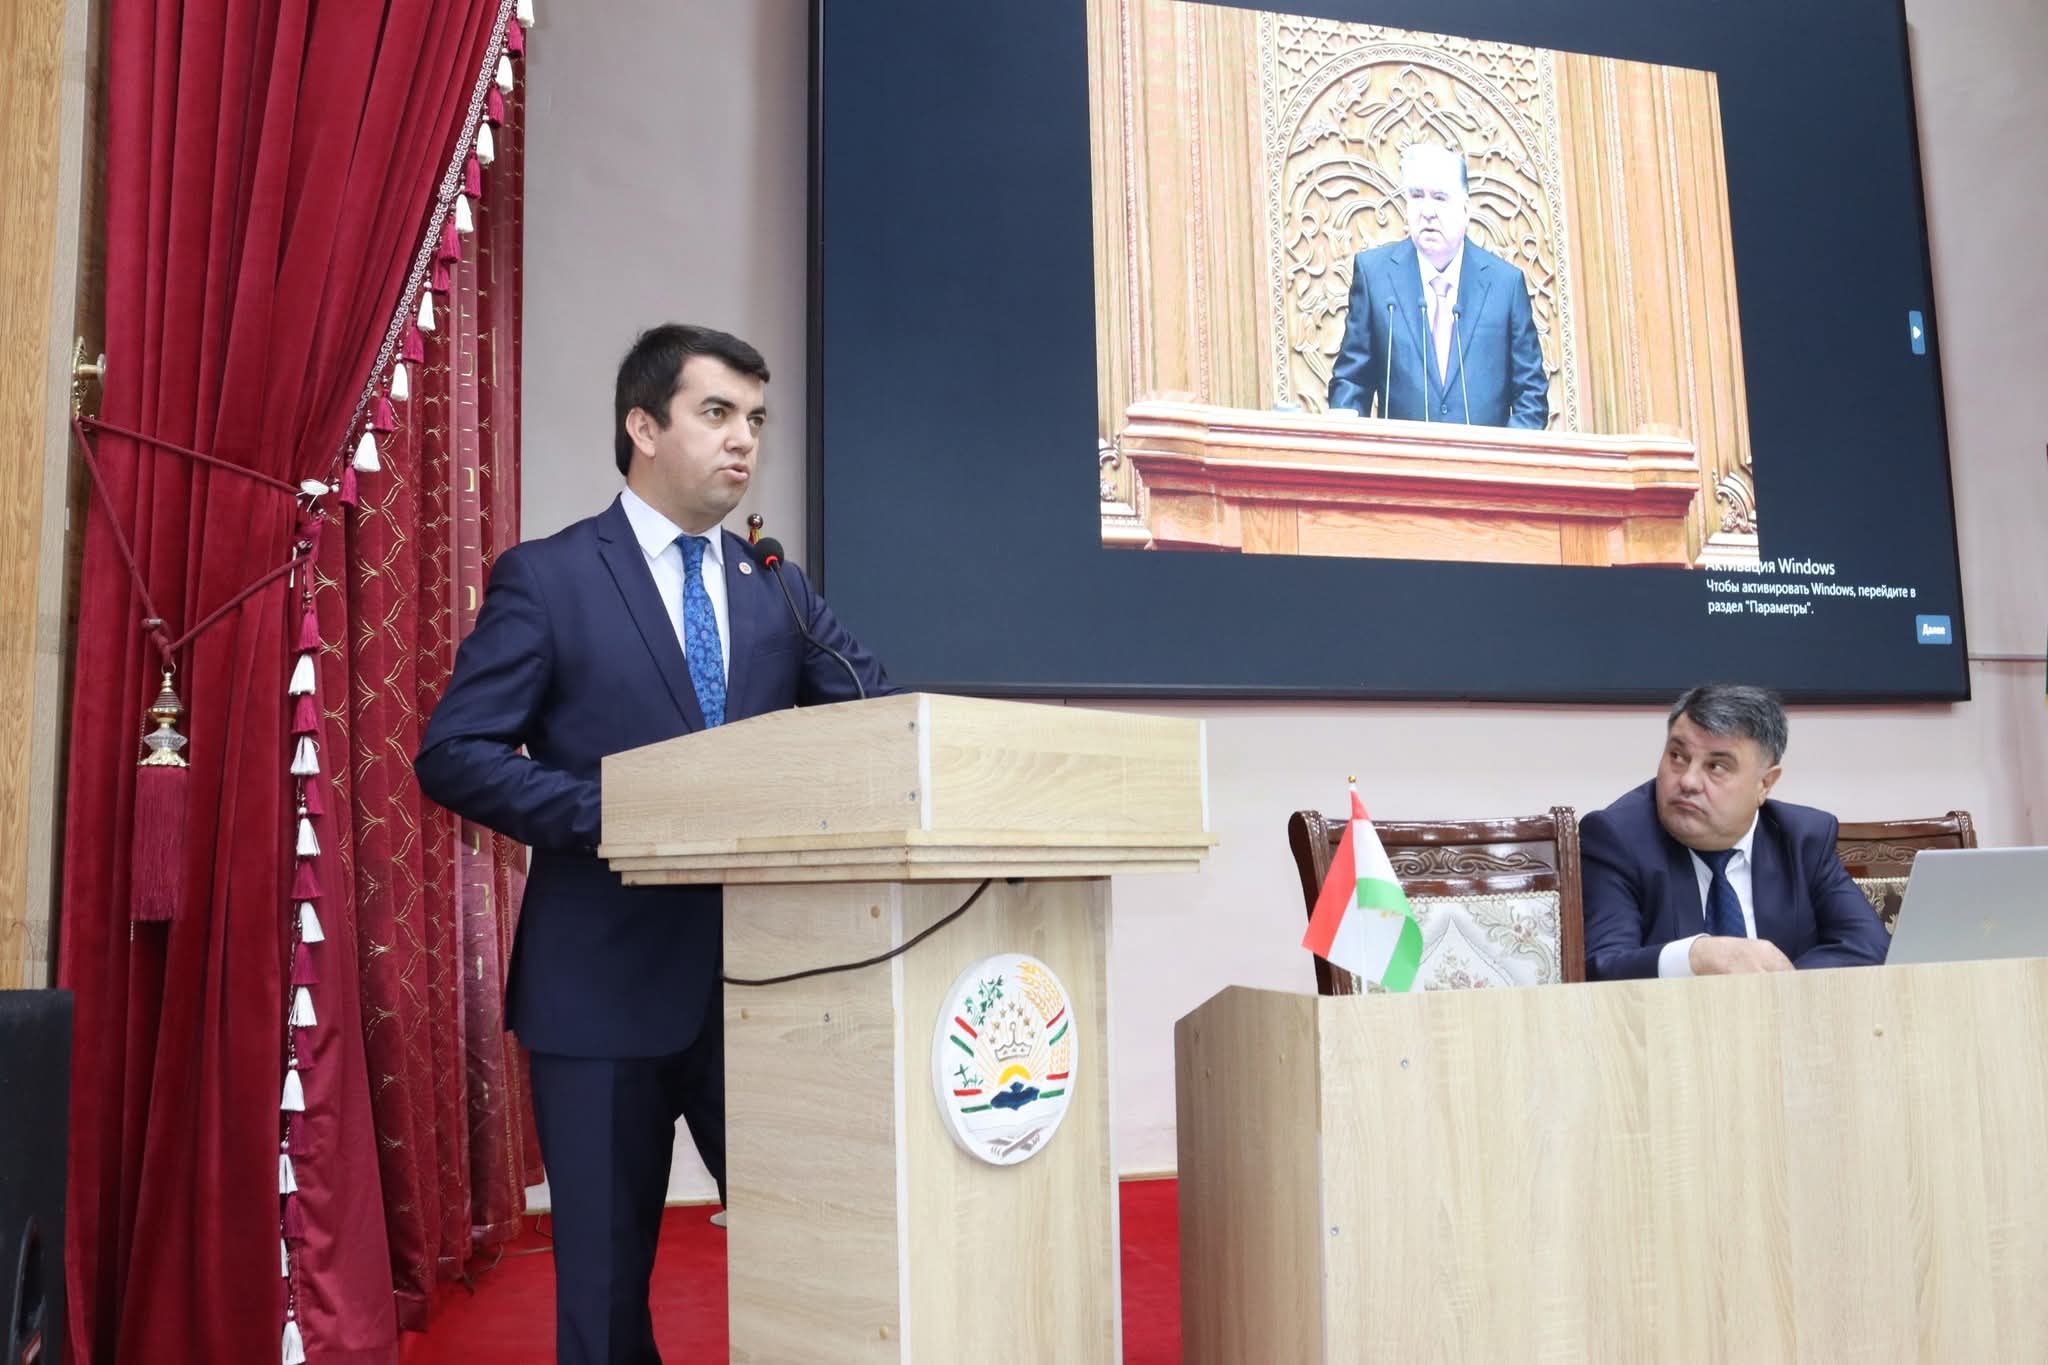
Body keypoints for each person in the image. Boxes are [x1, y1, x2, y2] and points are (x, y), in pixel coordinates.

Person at [414, 323, 897, 1364]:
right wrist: (623, 812)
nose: (744, 439)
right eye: (716, 413)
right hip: (600, 991)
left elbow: (878, 713)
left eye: (755, 419)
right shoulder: (548, 577)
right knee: (604, 1297)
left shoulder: (775, 583)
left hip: (767, 992)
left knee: (824, 1258)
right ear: (642, 426)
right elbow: (454, 754)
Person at [1581, 683, 1890, 980]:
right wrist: (1696, 957)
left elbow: (1868, 946)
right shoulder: (1617, 837)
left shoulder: (1802, 838)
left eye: (1716, 766)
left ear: (1764, 784)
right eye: (1677, 756)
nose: (1688, 781)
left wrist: (1775, 985)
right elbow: (1604, 967)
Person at [1326, 143, 1548, 429]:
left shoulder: (1505, 286)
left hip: (1484, 457)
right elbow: (1352, 382)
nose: (1427, 211)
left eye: (1440, 198)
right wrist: (1348, 432)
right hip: (1401, 454)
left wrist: (1500, 453)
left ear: (1465, 209)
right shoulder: (1375, 277)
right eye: (1417, 196)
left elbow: (1531, 396)